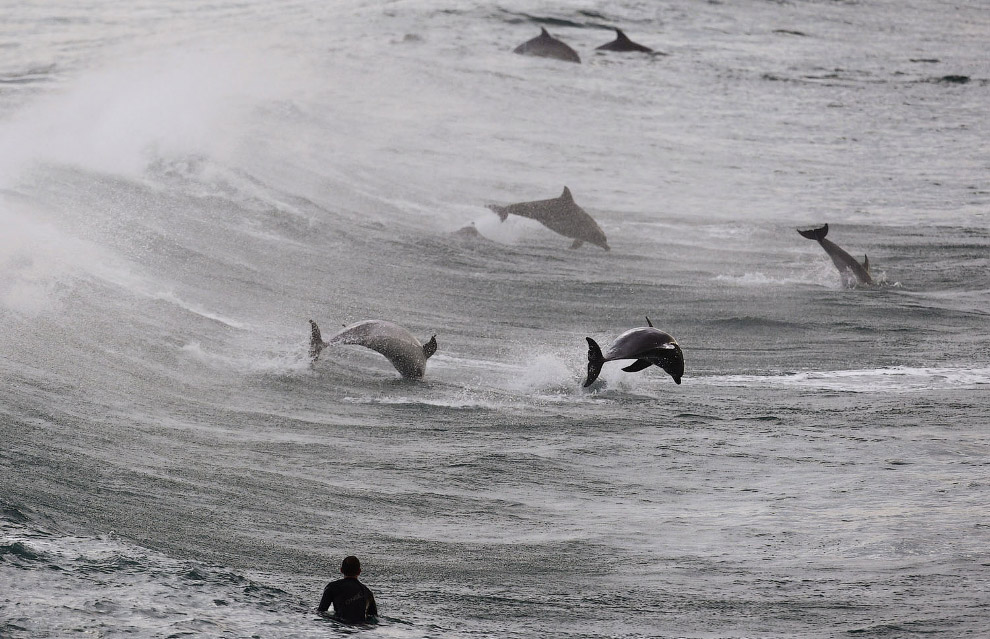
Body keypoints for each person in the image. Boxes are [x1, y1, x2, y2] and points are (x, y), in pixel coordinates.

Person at [317, 556, 378, 623]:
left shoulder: (332, 587)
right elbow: (374, 617)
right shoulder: (367, 592)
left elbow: (321, 612)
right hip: (361, 627)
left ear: (341, 570)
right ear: (359, 571)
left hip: (340, 624)